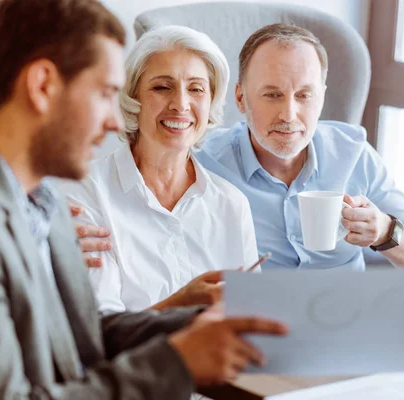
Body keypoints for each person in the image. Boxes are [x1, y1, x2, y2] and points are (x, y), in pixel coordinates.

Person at [0, 2, 287, 398]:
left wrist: (192, 326)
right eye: (104, 93)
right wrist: (176, 362)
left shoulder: (38, 195)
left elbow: (81, 333)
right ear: (42, 86)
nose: (116, 121)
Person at [78, 23, 404, 271]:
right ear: (240, 98)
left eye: (304, 95)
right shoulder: (202, 161)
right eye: (271, 95)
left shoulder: (354, 155)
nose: (289, 114)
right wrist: (60, 236)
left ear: (322, 97)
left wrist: (386, 232)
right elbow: (135, 196)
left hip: (345, 332)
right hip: (253, 345)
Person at [60, 25, 258, 313]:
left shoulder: (232, 204)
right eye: (162, 87)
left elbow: (251, 318)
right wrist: (180, 304)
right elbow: (100, 331)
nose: (180, 104)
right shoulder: (86, 191)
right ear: (133, 97)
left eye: (196, 89)